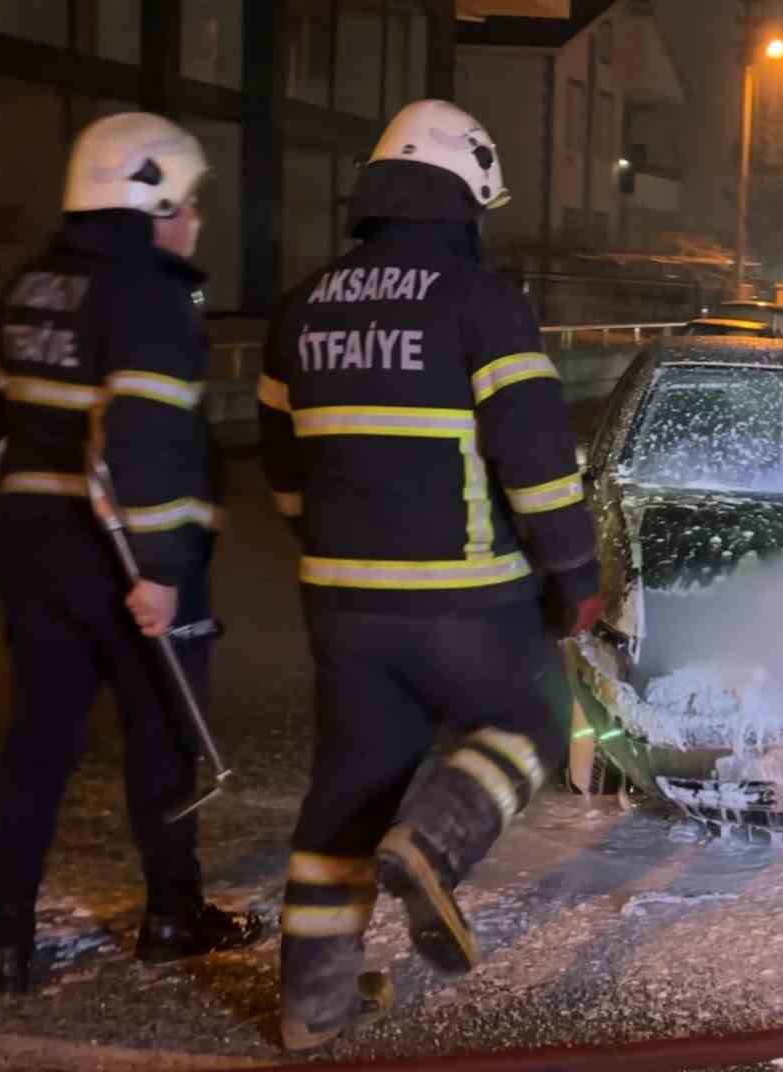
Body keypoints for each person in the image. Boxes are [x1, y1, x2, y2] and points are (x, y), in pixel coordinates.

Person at [259, 100, 603, 1049]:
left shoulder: (302, 307)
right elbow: (536, 460)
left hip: (340, 599)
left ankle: (312, 1006)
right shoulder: (481, 302)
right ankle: (435, 842)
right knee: (530, 721)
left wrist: (325, 547)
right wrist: (574, 570)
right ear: (465, 198)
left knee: (349, 787)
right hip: (463, 594)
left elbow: (282, 466)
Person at [0, 113, 263, 995]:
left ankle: (8, 939)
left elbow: (1, 423)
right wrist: (162, 574)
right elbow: (142, 441)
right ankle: (172, 916)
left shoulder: (36, 286)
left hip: (32, 545)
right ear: (153, 201)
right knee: (163, 741)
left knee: (38, 742)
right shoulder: (147, 296)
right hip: (123, 559)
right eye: (189, 204)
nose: (197, 224)